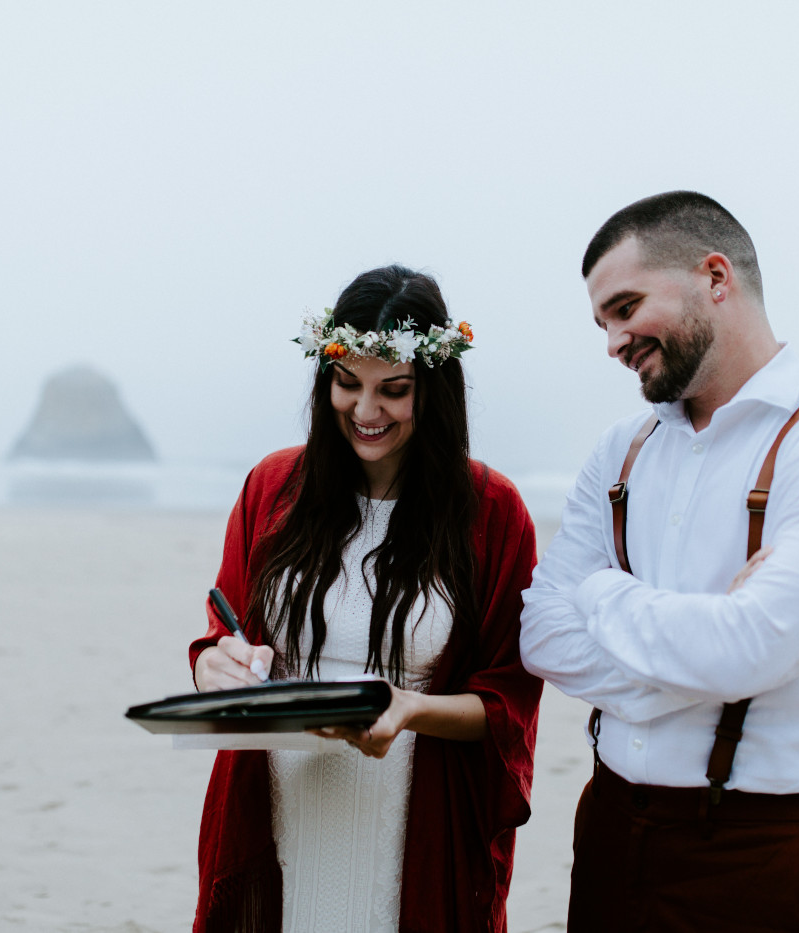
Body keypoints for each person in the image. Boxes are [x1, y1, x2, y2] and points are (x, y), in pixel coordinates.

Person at [519, 192, 799, 932]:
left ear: (716, 278)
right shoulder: (620, 451)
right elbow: (542, 636)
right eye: (602, 322)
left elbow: (750, 647)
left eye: (626, 306)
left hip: (765, 850)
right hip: (608, 830)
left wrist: (600, 591)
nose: (613, 342)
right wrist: (711, 657)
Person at [189, 265, 543, 933]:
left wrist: (408, 707)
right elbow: (221, 631)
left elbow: (509, 701)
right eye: (346, 383)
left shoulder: (493, 512)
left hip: (414, 811)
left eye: (394, 390)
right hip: (278, 796)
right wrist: (215, 664)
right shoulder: (273, 487)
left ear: (433, 389)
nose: (366, 410)